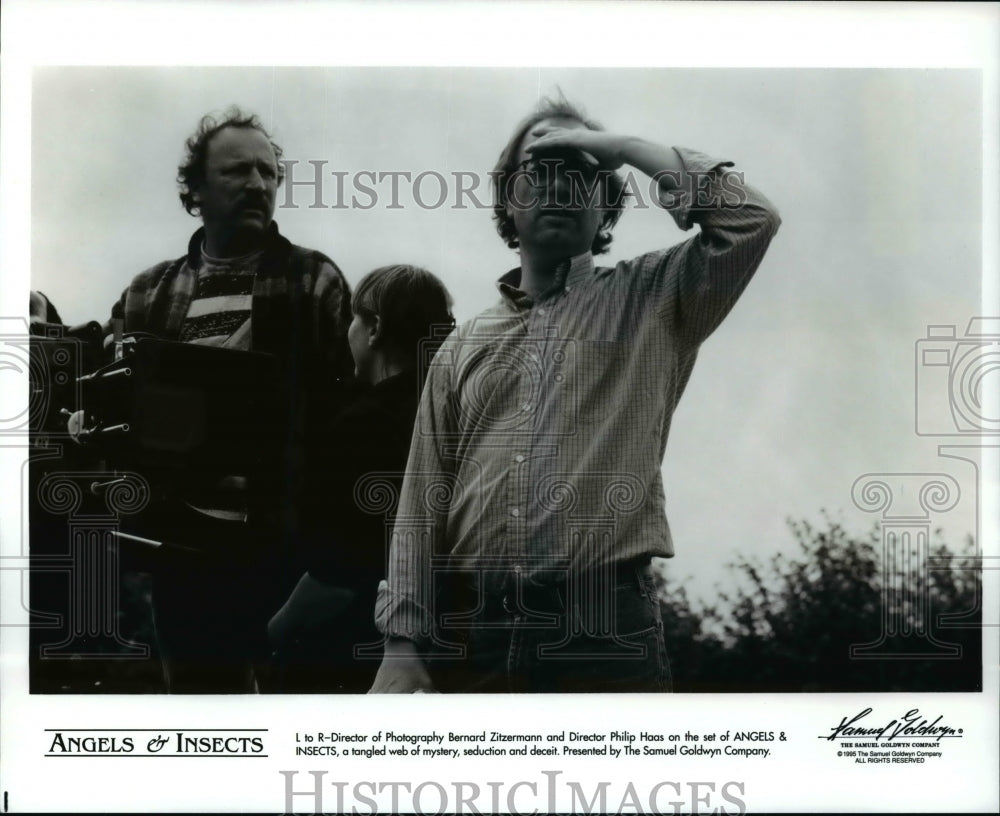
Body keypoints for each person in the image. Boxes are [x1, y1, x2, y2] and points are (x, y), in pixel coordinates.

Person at [370, 95, 781, 693]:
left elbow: (752, 219)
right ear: (509, 199)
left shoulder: (655, 299)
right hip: (471, 633)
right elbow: (422, 497)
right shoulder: (460, 347)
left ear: (607, 206)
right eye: (540, 170)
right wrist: (401, 642)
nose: (560, 187)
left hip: (603, 631)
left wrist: (619, 149)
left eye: (580, 172)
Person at [95, 107, 354, 692]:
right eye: (238, 171)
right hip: (181, 547)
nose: (258, 184)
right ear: (197, 189)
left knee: (294, 711)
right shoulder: (148, 291)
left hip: (285, 545)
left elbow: (347, 416)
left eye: (268, 172)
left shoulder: (316, 281)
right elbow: (115, 405)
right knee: (199, 711)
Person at [267, 264, 455, 693]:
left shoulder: (360, 426)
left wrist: (275, 631)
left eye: (354, 318)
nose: (347, 332)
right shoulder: (452, 417)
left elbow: (339, 575)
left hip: (347, 654)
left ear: (375, 328)